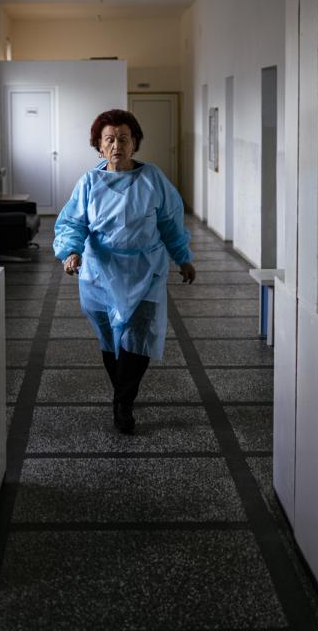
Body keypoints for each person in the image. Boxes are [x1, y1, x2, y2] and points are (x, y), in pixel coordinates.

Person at [53, 109, 195, 434]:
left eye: (124, 139)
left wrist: (183, 258)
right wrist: (71, 252)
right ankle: (123, 392)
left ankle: (124, 403)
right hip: (101, 272)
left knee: (138, 337)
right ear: (99, 146)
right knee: (110, 339)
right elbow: (74, 222)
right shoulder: (89, 182)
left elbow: (171, 224)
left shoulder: (153, 180)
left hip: (146, 272)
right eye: (110, 139)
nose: (117, 145)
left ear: (135, 144)